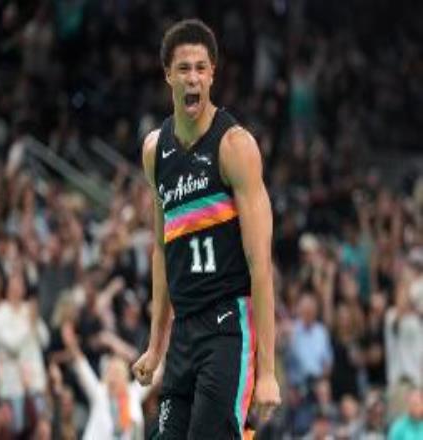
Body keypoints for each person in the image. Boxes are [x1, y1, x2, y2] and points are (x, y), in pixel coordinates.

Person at [132, 18, 281, 439]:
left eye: (201, 68)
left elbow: (260, 265)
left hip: (229, 326)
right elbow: (162, 249)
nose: (193, 77)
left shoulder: (235, 147)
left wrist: (268, 372)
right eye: (183, 68)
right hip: (183, 333)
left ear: (213, 74)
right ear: (168, 76)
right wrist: (155, 346)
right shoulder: (154, 151)